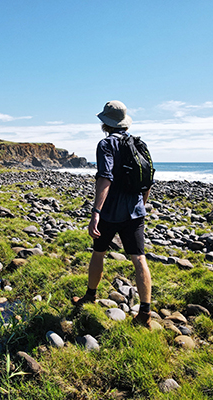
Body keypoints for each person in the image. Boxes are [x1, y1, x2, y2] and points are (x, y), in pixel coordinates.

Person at [72, 100, 153, 328]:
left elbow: (105, 177)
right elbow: (147, 180)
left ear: (105, 123)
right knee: (139, 259)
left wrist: (96, 211)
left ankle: (90, 295)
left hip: (109, 213)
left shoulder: (106, 144)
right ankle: (145, 313)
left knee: (98, 253)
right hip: (135, 212)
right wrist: (140, 205)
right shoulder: (140, 144)